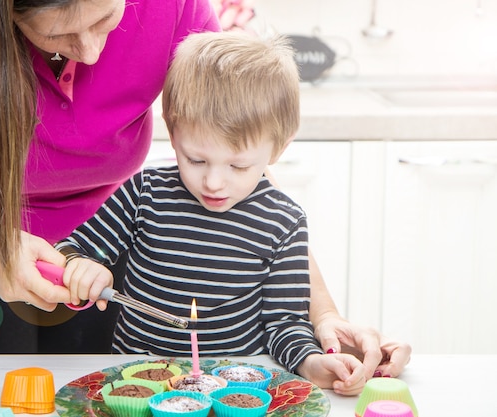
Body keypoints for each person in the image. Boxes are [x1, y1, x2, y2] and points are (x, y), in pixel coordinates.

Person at [0, 0, 410, 374]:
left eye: (107, 17)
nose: (88, 52)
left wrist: (324, 319)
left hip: (108, 261)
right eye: (57, 33)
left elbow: (242, 179)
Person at [54, 31, 366, 395]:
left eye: (238, 166)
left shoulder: (284, 221)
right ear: (172, 131)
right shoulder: (145, 193)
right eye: (196, 159)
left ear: (278, 148)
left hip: (234, 393)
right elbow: (71, 249)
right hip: (137, 388)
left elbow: (285, 323)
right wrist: (80, 266)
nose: (214, 182)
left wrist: (312, 362)